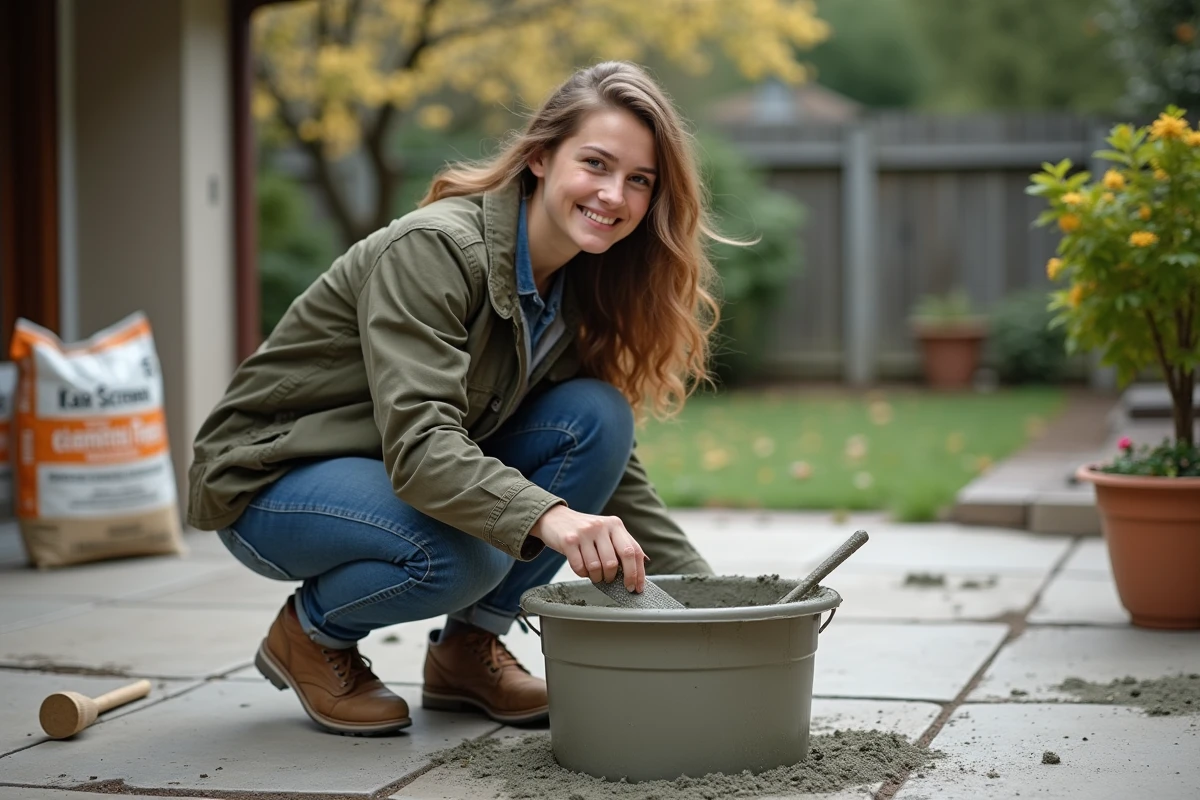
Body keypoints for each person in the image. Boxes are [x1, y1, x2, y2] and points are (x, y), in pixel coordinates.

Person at [187, 60, 724, 736]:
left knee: (597, 416)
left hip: (382, 470)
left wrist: (708, 601)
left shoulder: (574, 286)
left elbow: (608, 471)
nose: (614, 194)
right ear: (539, 158)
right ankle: (310, 634)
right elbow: (422, 449)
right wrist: (552, 517)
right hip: (272, 478)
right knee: (468, 553)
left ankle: (469, 649)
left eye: (639, 180)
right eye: (595, 163)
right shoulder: (436, 249)